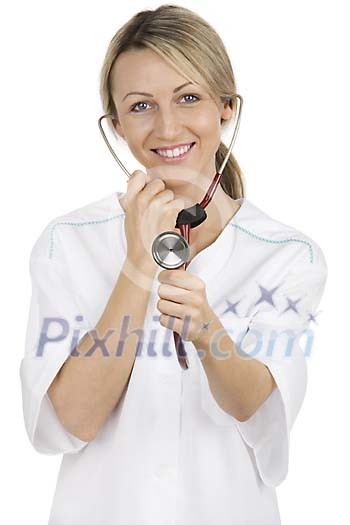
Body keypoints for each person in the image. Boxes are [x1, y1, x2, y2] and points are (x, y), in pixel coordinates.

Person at [19, 5, 328, 525]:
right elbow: (70, 421)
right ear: (116, 123)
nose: (167, 126)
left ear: (225, 107)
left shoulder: (287, 254)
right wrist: (138, 264)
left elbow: (262, 414)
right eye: (141, 106)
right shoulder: (65, 244)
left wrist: (209, 332)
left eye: (189, 98)